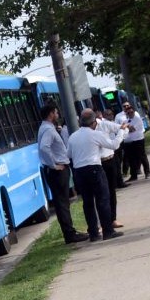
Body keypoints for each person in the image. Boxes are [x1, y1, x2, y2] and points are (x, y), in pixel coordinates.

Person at [68, 108, 125, 241]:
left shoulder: (73, 136)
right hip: (94, 168)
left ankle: (93, 233)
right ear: (94, 122)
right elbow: (114, 145)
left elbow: (68, 155)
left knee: (87, 202)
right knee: (103, 200)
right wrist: (121, 131)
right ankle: (107, 231)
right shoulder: (95, 134)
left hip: (79, 172)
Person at [37, 103, 88, 244]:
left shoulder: (45, 127)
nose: (58, 114)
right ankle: (70, 235)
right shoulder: (48, 129)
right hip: (58, 172)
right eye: (56, 112)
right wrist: (54, 165)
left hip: (56, 171)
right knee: (62, 204)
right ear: (51, 114)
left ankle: (70, 232)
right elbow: (44, 148)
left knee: (62, 203)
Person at [119, 102, 150, 180]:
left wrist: (127, 127)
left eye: (131, 111)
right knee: (131, 159)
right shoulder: (126, 120)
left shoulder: (137, 119)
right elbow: (122, 129)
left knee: (142, 157)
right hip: (128, 142)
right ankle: (134, 175)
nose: (129, 113)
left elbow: (132, 129)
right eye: (127, 112)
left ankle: (147, 172)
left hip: (138, 140)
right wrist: (126, 127)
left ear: (133, 111)